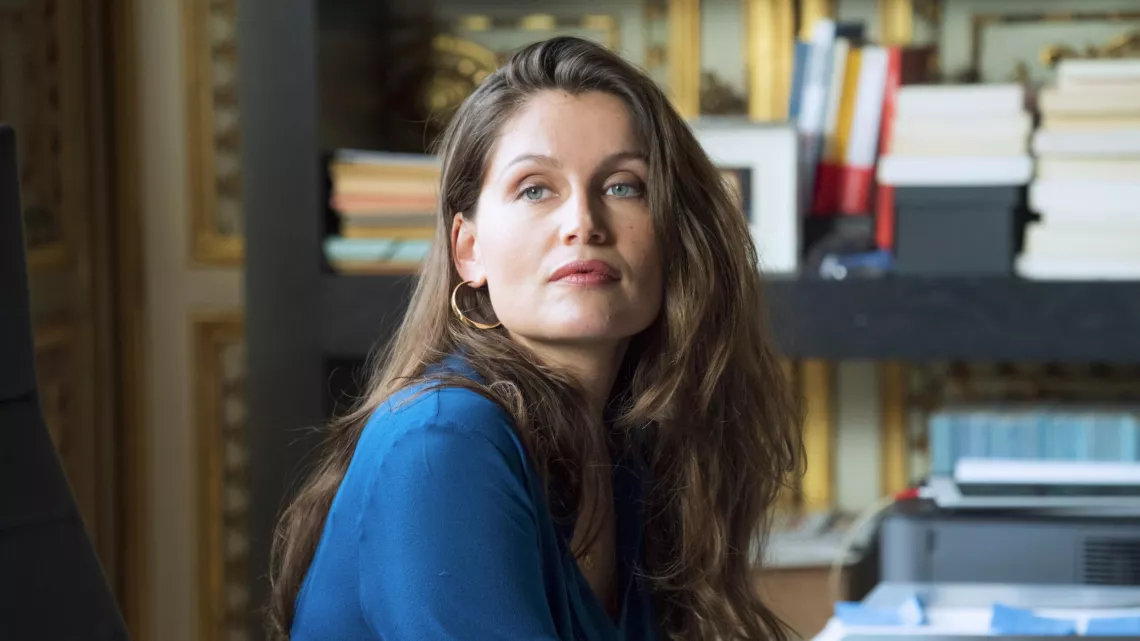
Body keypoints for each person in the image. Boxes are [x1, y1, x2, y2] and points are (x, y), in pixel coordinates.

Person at [271, 36, 803, 641]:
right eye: (534, 189)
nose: (583, 223)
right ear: (469, 249)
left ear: (677, 236)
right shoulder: (444, 442)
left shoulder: (631, 448)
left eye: (623, 186)